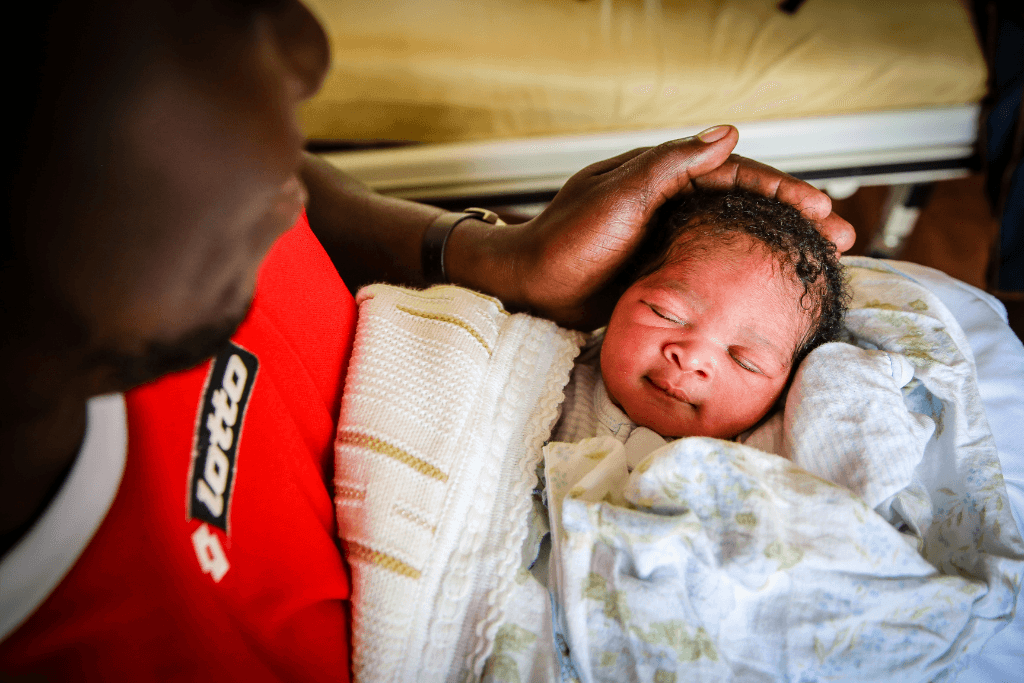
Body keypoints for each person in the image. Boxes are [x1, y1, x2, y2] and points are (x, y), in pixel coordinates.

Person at [0, 1, 854, 680]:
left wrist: (493, 256)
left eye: (748, 357)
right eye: (204, 11)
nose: (310, 49)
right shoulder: (116, 635)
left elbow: (303, 186)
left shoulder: (164, 225)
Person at [578, 188, 848, 443]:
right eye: (667, 314)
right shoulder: (551, 376)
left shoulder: (772, 454)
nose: (692, 359)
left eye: (746, 361)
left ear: (786, 390)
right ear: (620, 289)